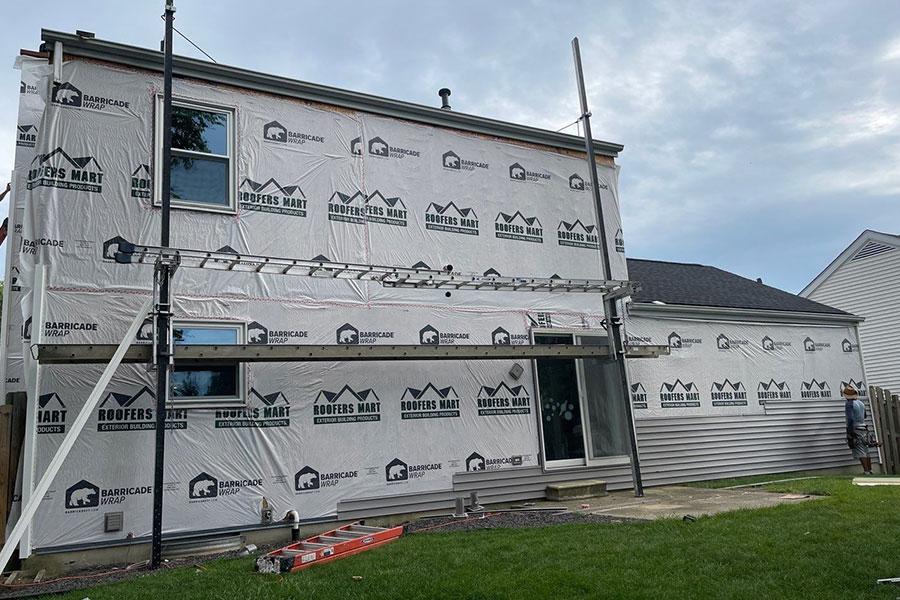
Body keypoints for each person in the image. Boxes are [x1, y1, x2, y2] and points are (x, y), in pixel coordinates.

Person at [844, 386, 873, 474]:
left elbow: (850, 418)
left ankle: (866, 471)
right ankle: (870, 469)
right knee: (866, 449)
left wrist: (849, 432)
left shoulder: (849, 404)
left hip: (856, 427)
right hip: (863, 427)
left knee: (860, 449)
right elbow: (865, 416)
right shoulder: (861, 403)